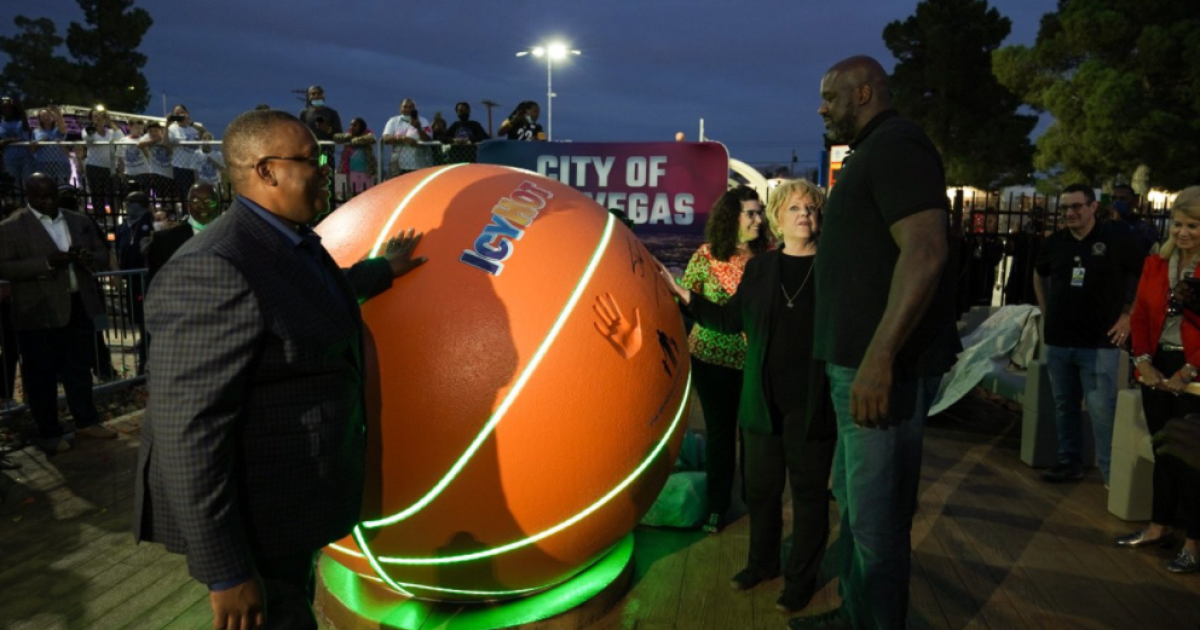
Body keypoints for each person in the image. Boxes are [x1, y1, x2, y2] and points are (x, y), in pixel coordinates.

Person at [132, 109, 427, 630]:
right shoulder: (214, 266)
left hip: (293, 512)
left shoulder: (290, 242)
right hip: (255, 530)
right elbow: (187, 430)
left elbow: (312, 298)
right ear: (266, 171)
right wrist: (226, 572)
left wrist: (384, 269)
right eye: (311, 160)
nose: (324, 171)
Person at [804, 55, 960, 630]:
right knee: (858, 509)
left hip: (877, 375)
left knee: (877, 520)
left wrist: (879, 356)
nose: (822, 107)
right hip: (855, 369)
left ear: (863, 92)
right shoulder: (873, 151)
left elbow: (925, 251)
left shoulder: (897, 146)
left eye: (830, 96)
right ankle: (854, 614)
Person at [661, 178, 836, 616]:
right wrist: (684, 295)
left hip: (813, 401)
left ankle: (800, 581)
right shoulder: (760, 270)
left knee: (810, 495)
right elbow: (727, 317)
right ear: (779, 217)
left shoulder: (834, 268)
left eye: (812, 209)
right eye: (795, 208)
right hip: (762, 399)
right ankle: (762, 563)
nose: (804, 216)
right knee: (761, 490)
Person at [1034, 183, 1143, 485]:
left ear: (1093, 207)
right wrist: (1046, 311)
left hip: (1098, 343)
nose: (1070, 213)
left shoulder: (1117, 238)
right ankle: (1069, 462)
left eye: (1076, 206)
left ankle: (1111, 478)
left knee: (1102, 410)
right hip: (1058, 340)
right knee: (1064, 405)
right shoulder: (1056, 242)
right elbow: (1039, 273)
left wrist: (1128, 316)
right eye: (1065, 208)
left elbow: (1145, 274)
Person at [0, 173, 117, 454]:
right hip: (38, 312)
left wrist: (90, 259)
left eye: (51, 195)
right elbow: (4, 267)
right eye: (41, 197)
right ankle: (49, 431)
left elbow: (103, 254)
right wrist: (46, 263)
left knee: (79, 369)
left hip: (78, 306)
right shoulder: (11, 228)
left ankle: (86, 421)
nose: (48, 201)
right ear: (27, 195)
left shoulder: (78, 221)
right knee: (42, 375)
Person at [677, 186, 771, 536]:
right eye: (750, 213)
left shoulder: (770, 258)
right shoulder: (706, 256)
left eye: (759, 212)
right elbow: (687, 300)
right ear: (731, 217)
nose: (758, 219)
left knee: (753, 434)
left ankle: (753, 500)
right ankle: (717, 506)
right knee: (720, 434)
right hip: (710, 360)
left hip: (754, 361)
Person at [1120, 185, 1200, 574]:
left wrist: (1188, 372)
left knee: (1191, 460)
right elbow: (1139, 316)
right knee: (1164, 452)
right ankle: (1158, 527)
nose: (1183, 232)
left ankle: (1194, 544)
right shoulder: (1155, 263)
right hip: (1158, 365)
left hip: (1195, 373)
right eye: (1179, 224)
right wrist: (1144, 361)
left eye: (1194, 225)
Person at [146, 182, 222, 286]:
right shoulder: (164, 241)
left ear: (219, 204)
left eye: (209, 201)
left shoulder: (237, 238)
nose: (203, 206)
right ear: (188, 205)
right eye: (196, 201)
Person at [81, 107, 126, 211]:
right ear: (91, 119)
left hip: (110, 167)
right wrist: (95, 126)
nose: (98, 118)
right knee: (97, 195)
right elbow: (88, 139)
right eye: (95, 116)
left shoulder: (110, 132)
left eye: (101, 116)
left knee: (113, 194)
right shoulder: (87, 130)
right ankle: (100, 218)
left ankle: (115, 217)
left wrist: (110, 122)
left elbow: (121, 138)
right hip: (94, 166)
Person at [381, 98, 433, 176]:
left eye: (411, 107)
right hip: (398, 165)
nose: (408, 109)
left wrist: (418, 128)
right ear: (400, 108)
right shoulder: (393, 121)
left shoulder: (423, 121)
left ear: (415, 109)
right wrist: (404, 139)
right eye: (405, 107)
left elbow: (428, 139)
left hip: (419, 165)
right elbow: (386, 138)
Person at [333, 117, 376, 198]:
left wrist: (354, 141)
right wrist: (350, 137)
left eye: (355, 125)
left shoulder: (368, 135)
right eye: (351, 125)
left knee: (366, 194)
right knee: (352, 194)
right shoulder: (349, 135)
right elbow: (336, 137)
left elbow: (371, 138)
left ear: (361, 126)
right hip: (351, 171)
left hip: (366, 171)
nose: (352, 127)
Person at [168, 105, 205, 199]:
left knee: (196, 191)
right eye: (177, 113)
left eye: (181, 112)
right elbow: (167, 143)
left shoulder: (194, 127)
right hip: (181, 165)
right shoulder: (172, 128)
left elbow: (204, 133)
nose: (180, 115)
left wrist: (189, 122)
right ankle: (185, 212)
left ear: (187, 113)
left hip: (195, 165)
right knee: (184, 193)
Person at [1113, 183, 1160, 256]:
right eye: (1114, 198)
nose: (1117, 202)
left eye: (1123, 199)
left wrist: (1120, 223)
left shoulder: (1145, 226)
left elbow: (1141, 248)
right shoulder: (1107, 223)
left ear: (1134, 201)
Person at [31, 106, 71, 184]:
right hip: (42, 164)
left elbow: (63, 128)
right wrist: (40, 143)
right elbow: (32, 149)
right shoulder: (36, 132)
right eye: (43, 116)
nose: (46, 117)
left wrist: (57, 112)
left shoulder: (58, 130)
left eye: (48, 115)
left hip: (60, 163)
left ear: (53, 117)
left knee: (61, 187)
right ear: (39, 119)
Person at [0, 96, 32, 188]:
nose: (7, 110)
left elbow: (27, 130)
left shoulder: (21, 121)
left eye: (9, 107)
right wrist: (11, 140)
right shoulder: (0, 124)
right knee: (14, 183)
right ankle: (17, 202)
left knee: (27, 181)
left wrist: (22, 109)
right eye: (4, 108)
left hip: (25, 156)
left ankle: (28, 202)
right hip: (9, 158)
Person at [141, 121, 176, 199]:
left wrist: (162, 142)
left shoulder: (167, 139)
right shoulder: (147, 140)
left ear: (161, 130)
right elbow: (139, 144)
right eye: (150, 131)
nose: (153, 133)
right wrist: (152, 141)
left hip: (168, 173)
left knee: (171, 197)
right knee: (160, 196)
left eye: (156, 131)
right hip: (156, 173)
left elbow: (171, 151)